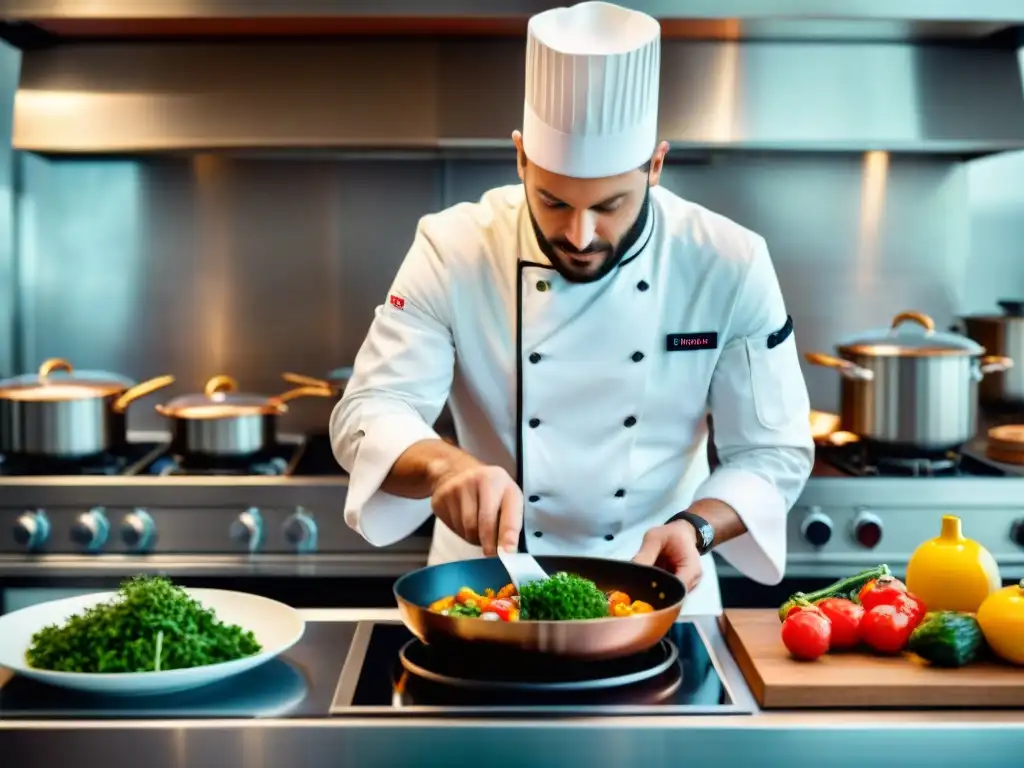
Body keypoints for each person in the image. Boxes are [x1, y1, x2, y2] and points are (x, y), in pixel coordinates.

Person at [330, 0, 814, 616]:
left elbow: (773, 452)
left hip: (660, 591)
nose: (580, 235)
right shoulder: (453, 246)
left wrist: (697, 529)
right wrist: (444, 469)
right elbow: (368, 412)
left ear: (656, 165)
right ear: (521, 158)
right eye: (554, 202)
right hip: (483, 592)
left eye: (610, 204)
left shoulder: (728, 261)